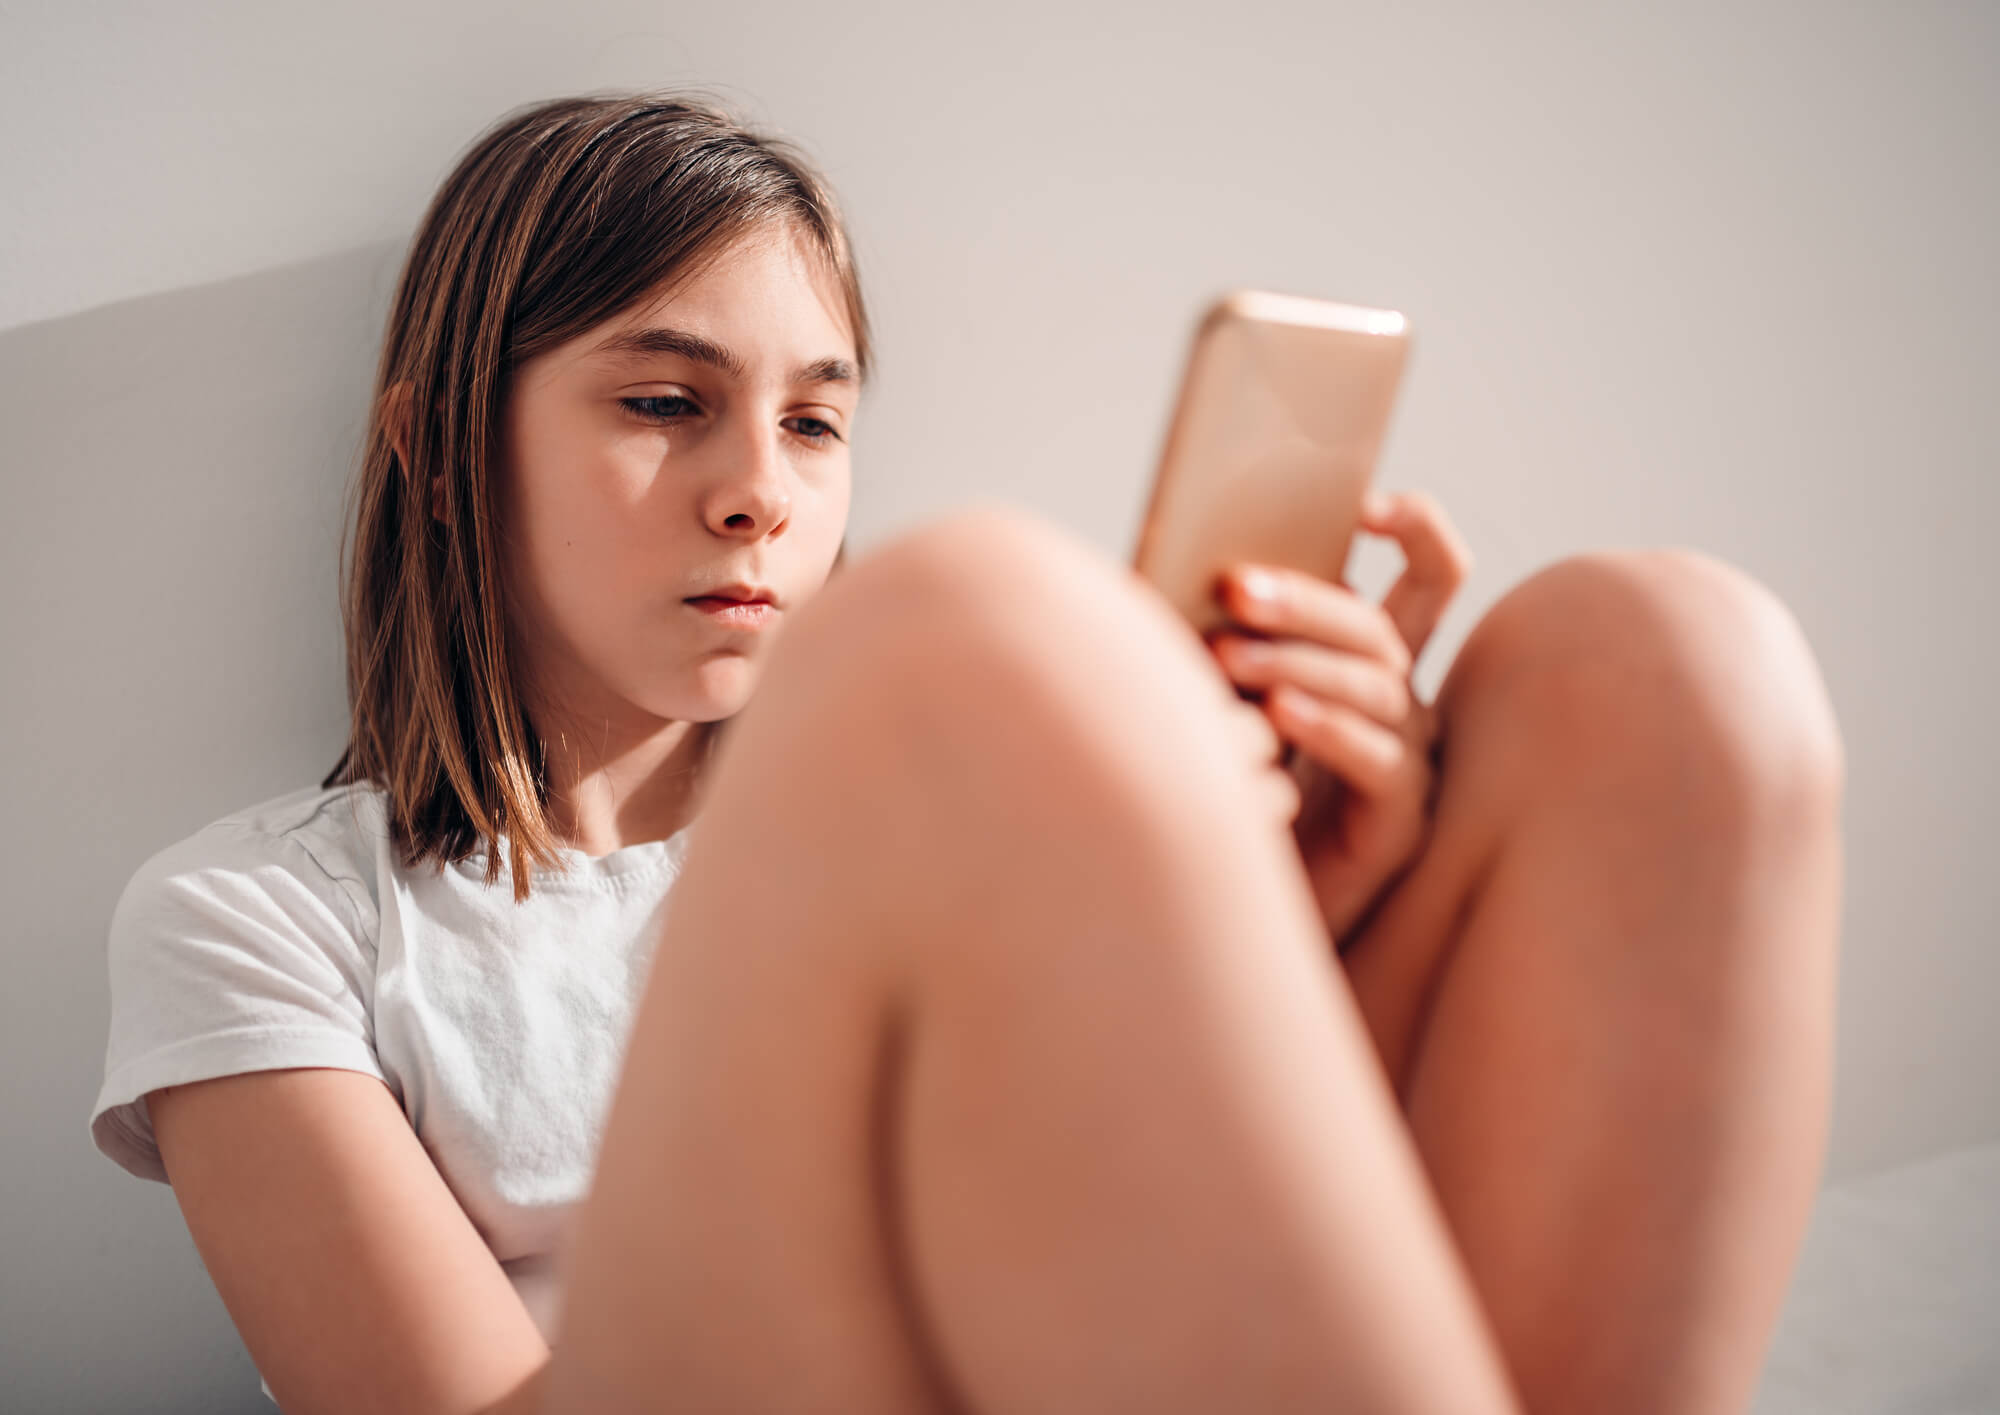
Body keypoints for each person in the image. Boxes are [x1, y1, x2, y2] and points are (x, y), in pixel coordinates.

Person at [88, 89, 1846, 1415]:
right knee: (971, 639)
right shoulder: (255, 919)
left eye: (816, 419)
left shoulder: (956, 784)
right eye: (661, 399)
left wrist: (1278, 915)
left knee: (1668, 663)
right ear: (439, 445)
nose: (760, 489)